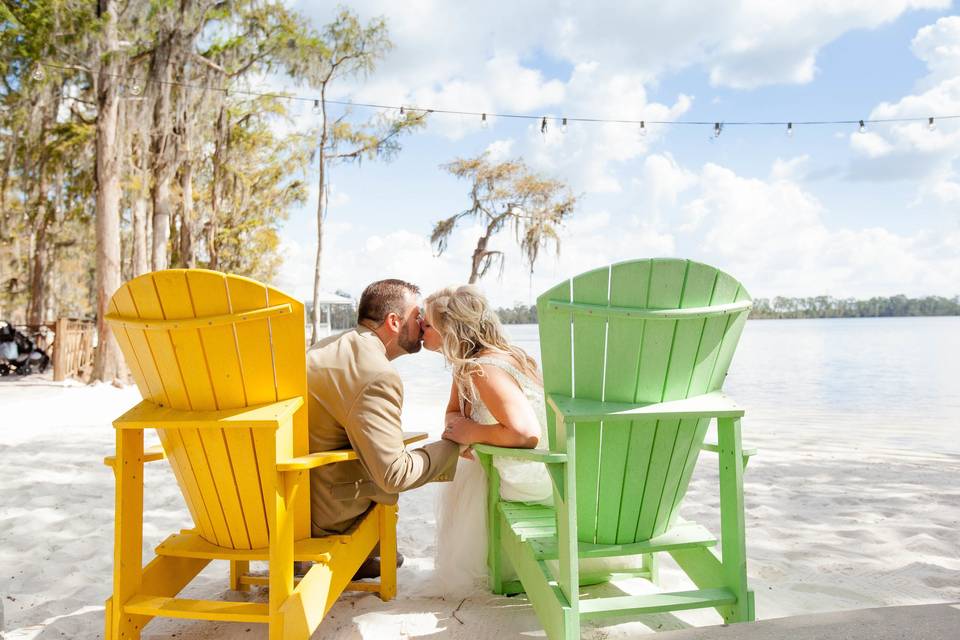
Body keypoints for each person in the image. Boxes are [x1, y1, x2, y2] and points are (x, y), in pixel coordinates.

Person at [307, 279, 461, 577]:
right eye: (418, 317)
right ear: (393, 321)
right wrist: (454, 445)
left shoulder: (324, 348)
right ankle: (361, 550)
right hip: (321, 514)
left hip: (282, 500)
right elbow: (395, 474)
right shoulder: (376, 374)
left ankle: (368, 553)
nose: (424, 323)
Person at [422, 285, 553, 595]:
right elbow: (453, 413)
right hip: (535, 463)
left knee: (470, 474)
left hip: (537, 473)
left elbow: (526, 433)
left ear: (448, 329)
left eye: (426, 324)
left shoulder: (486, 368)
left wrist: (473, 433)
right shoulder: (469, 364)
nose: (420, 329)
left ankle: (498, 566)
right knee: (470, 467)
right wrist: (460, 426)